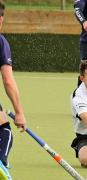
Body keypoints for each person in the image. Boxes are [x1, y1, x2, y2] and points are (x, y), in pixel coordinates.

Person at [0, 1, 27, 179]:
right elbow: (8, 80)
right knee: (4, 129)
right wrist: (19, 112)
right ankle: (1, 162)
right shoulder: (1, 42)